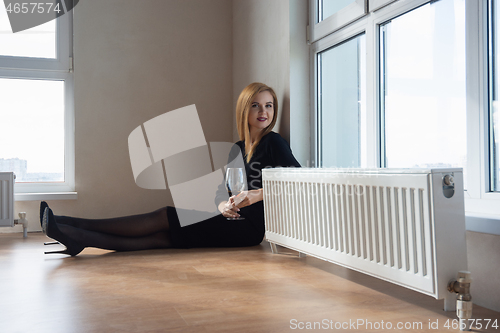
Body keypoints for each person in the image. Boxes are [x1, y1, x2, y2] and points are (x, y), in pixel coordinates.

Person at [41, 82, 301, 256]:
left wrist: (257, 194)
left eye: (269, 105)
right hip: (230, 218)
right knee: (161, 239)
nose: (263, 111)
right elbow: (221, 192)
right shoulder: (236, 148)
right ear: (244, 109)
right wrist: (223, 205)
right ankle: (77, 236)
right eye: (256, 105)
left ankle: (69, 224)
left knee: (164, 216)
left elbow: (296, 179)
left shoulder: (274, 142)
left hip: (249, 228)